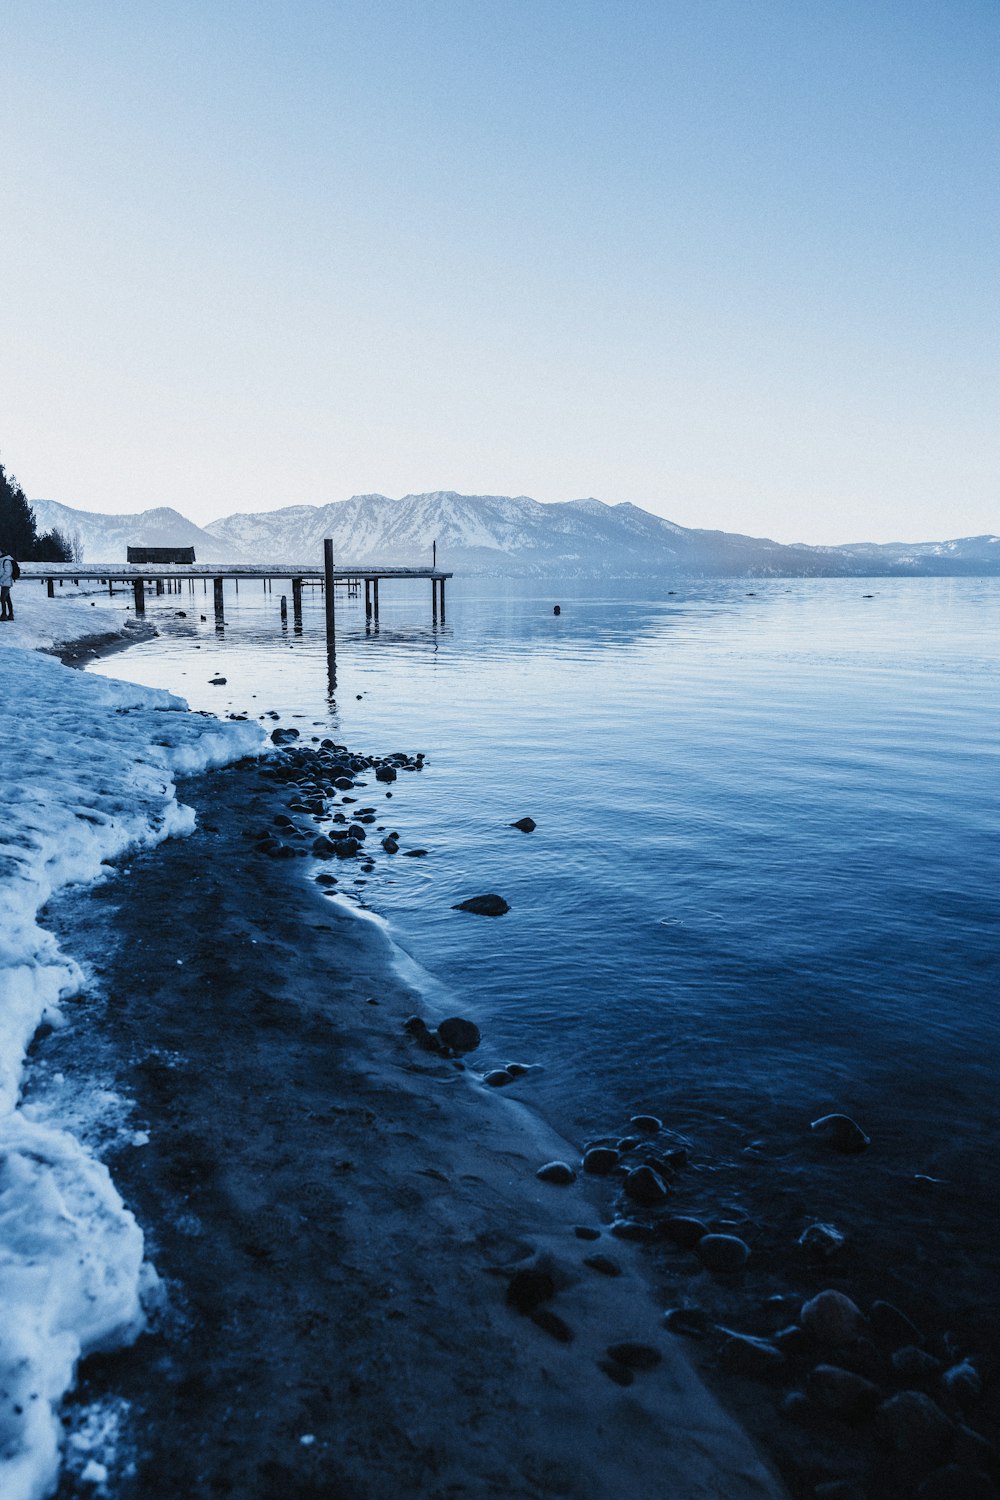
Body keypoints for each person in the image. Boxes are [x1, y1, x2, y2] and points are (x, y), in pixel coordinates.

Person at [0, 548, 15, 620]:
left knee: (3, 598)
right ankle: (10, 615)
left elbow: (7, 573)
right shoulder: (2, 560)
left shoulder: (6, 561)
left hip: (6, 583)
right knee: (7, 598)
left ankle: (4, 615)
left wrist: (1, 580)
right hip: (5, 583)